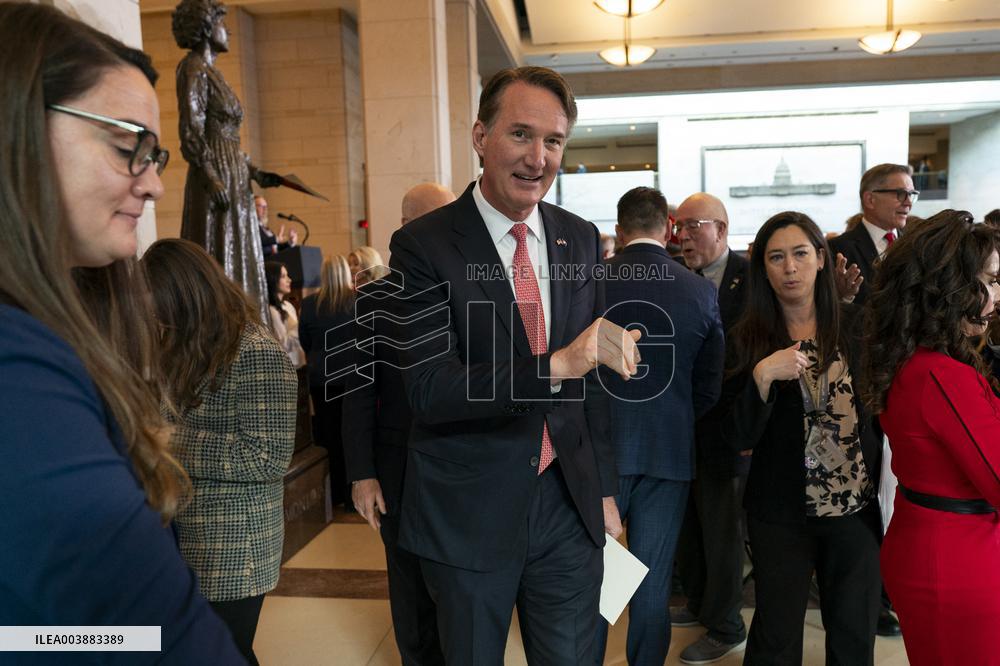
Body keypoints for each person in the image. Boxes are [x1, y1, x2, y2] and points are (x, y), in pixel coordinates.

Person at [0, 2, 242, 660]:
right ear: (18, 127)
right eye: (126, 146)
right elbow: (157, 635)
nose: (157, 185)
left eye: (154, 153)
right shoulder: (15, 361)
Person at [386, 66, 641, 664]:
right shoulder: (423, 245)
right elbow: (431, 388)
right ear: (480, 137)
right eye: (521, 135)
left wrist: (603, 490)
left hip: (567, 503)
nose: (538, 158)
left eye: (553, 141)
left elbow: (593, 382)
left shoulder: (578, 238)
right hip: (468, 508)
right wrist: (557, 363)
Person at [720, 212, 882, 665]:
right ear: (762, 268)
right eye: (776, 257)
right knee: (776, 633)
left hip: (855, 509)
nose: (789, 267)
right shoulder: (747, 338)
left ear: (820, 259)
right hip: (780, 512)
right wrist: (762, 378)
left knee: (854, 631)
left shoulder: (857, 327)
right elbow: (733, 435)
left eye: (799, 254)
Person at [143, 238, 297, 665]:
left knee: (225, 652)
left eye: (159, 304)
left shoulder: (255, 351)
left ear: (186, 296)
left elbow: (266, 457)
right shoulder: (187, 346)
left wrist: (167, 438)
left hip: (235, 548)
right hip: (189, 534)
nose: (155, 315)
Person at [593, 187, 724, 666]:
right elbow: (710, 383)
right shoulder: (699, 289)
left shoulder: (590, 282)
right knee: (651, 578)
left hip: (597, 451)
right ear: (668, 227)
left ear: (620, 228)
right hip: (669, 448)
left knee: (595, 574)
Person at [863, 210, 1000, 666]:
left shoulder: (921, 360)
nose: (997, 294)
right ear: (954, 288)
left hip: (942, 547)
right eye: (991, 280)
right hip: (956, 563)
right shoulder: (940, 376)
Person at [341, 182, 457, 666]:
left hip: (464, 467)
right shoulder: (373, 299)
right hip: (398, 467)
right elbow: (356, 395)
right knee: (408, 589)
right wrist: (361, 473)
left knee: (461, 589)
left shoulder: (472, 286)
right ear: (408, 226)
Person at [830, 163, 915, 636]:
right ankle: (875, 594)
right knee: (873, 487)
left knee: (899, 486)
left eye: (911, 192)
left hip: (907, 380)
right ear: (869, 199)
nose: (907, 200)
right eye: (898, 193)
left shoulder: (911, 248)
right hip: (862, 384)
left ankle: (892, 586)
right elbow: (836, 319)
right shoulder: (840, 252)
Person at [671, 192, 751, 664]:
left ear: (720, 229)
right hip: (686, 428)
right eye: (678, 226)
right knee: (693, 525)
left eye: (692, 226)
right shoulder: (680, 279)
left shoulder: (749, 279)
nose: (682, 236)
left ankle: (726, 625)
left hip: (727, 429)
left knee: (722, 530)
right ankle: (701, 604)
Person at [173, 0, 280, 325]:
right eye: (222, 21)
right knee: (221, 251)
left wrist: (256, 172)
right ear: (206, 28)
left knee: (242, 256)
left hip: (234, 174)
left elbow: (229, 139)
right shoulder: (192, 68)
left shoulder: (212, 72)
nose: (228, 29)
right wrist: (211, 176)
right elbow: (191, 131)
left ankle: (247, 328)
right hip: (216, 178)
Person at [299, 255, 356, 508]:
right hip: (353, 379)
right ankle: (353, 494)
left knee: (327, 437)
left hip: (322, 380)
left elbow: (305, 342)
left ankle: (332, 496)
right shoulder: (358, 300)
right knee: (352, 436)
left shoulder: (310, 304)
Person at [829, 163, 916, 307]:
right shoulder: (838, 249)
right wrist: (843, 297)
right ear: (870, 200)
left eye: (912, 195)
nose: (908, 203)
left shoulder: (916, 244)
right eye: (900, 194)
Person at [265, 260, 305, 369]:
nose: (289, 280)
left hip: (300, 364)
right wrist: (302, 323)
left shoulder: (288, 305)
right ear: (272, 279)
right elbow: (284, 345)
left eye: (288, 275)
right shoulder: (271, 310)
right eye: (283, 276)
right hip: (286, 368)